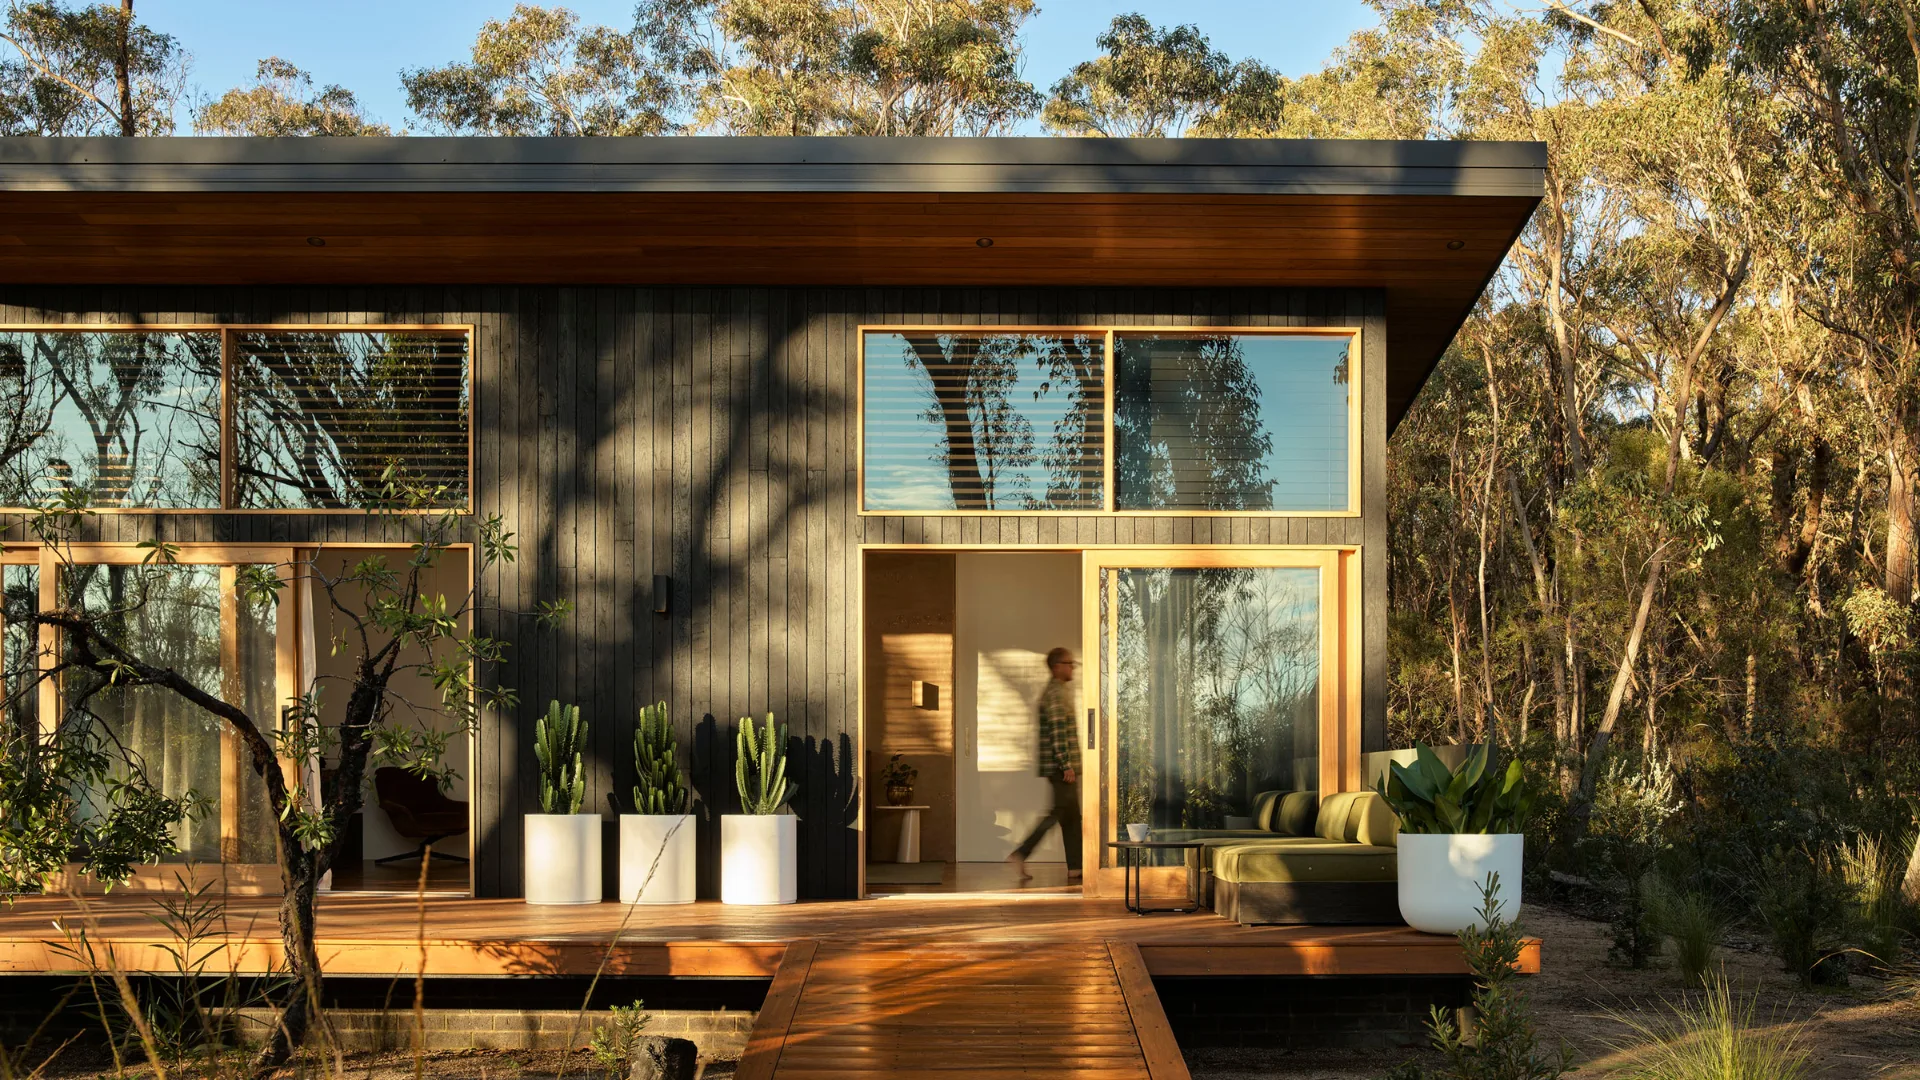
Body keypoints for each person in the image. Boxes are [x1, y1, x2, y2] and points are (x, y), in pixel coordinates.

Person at [1008, 646, 1082, 882]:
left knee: (1071, 817)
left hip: (1061, 766)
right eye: (1069, 663)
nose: (1073, 668)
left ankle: (1075, 867)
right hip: (1061, 768)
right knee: (1058, 813)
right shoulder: (1056, 695)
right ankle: (1021, 852)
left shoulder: (1058, 691)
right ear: (1056, 667)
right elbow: (1057, 732)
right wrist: (1066, 764)